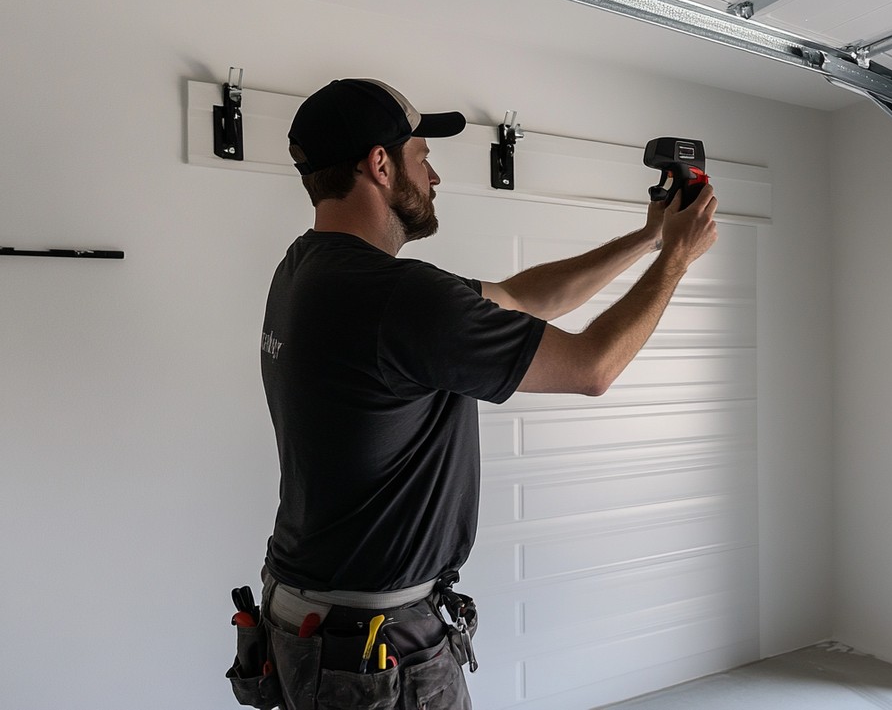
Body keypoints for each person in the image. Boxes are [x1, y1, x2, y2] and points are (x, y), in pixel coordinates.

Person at [236, 78, 718, 710]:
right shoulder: (398, 298)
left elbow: (523, 297)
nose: (433, 176)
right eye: (422, 156)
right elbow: (593, 367)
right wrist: (675, 263)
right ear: (380, 165)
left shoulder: (306, 268)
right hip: (376, 646)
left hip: (309, 618)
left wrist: (648, 238)